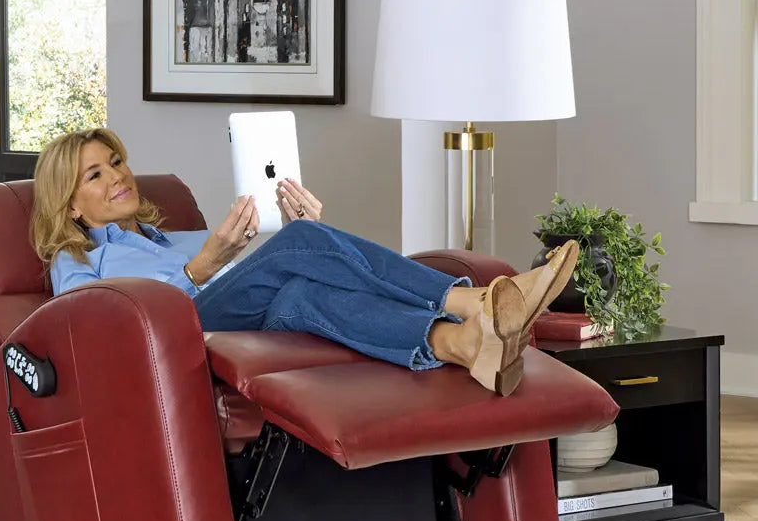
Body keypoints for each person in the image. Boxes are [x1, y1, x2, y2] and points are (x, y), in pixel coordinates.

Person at [31, 127, 578, 396]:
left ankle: (459, 345)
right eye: (94, 174)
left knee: (302, 287)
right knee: (298, 247)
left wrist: (304, 233)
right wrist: (201, 267)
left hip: (243, 318)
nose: (118, 175)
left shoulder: (175, 237)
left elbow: (254, 281)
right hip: (176, 337)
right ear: (70, 204)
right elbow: (88, 327)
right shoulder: (76, 258)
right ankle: (475, 299)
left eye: (116, 161)